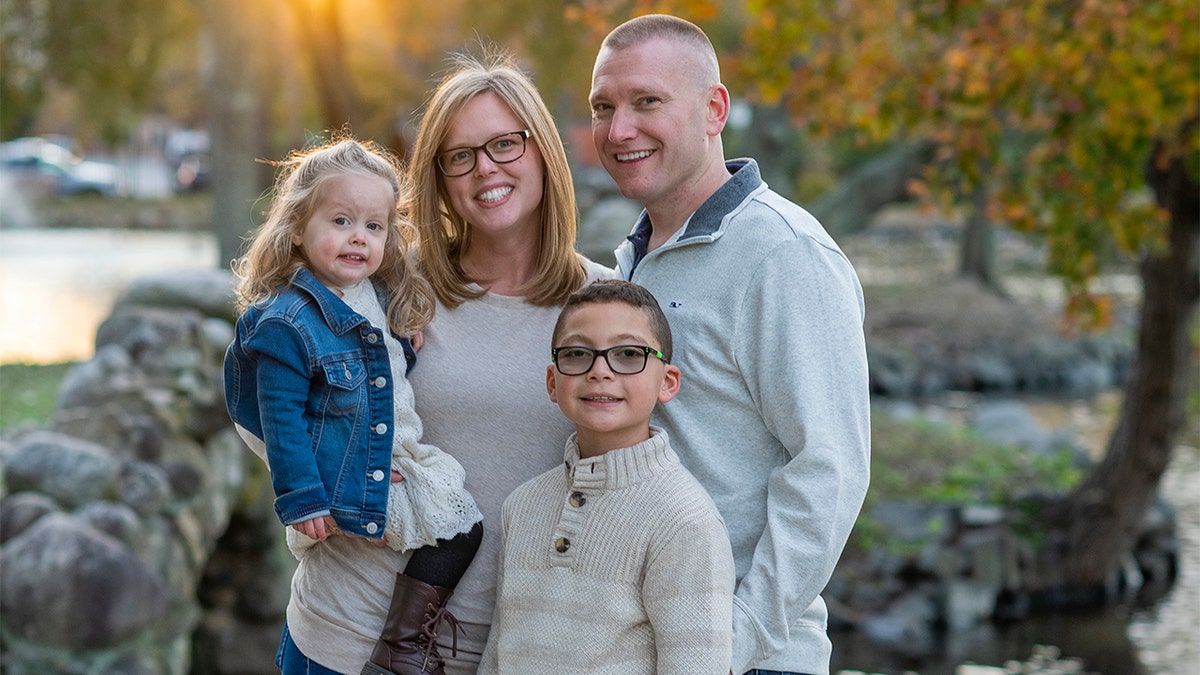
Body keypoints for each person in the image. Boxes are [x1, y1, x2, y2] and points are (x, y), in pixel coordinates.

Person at [589, 14, 872, 675]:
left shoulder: (784, 255)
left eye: (646, 102)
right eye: (604, 106)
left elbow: (830, 471)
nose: (619, 128)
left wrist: (730, 645)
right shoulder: (631, 260)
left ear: (714, 109)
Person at [223, 137, 484, 675]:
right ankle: (404, 645)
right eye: (340, 221)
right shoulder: (286, 321)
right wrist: (305, 500)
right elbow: (282, 419)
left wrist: (402, 353)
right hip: (345, 484)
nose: (358, 238)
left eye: (373, 226)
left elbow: (366, 383)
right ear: (298, 228)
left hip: (388, 461)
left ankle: (403, 641)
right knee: (462, 529)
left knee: (462, 526)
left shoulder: (373, 296)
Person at [404, 50, 616, 673]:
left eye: (504, 144)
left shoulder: (608, 307)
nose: (484, 170)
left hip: (533, 649)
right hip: (368, 633)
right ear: (439, 178)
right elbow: (266, 385)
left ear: (542, 149)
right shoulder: (396, 289)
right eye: (460, 156)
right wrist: (336, 476)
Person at [478, 279, 735, 674]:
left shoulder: (685, 521)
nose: (600, 371)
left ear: (667, 382)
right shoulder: (524, 504)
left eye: (629, 354)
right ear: (552, 382)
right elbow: (498, 657)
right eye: (578, 353)